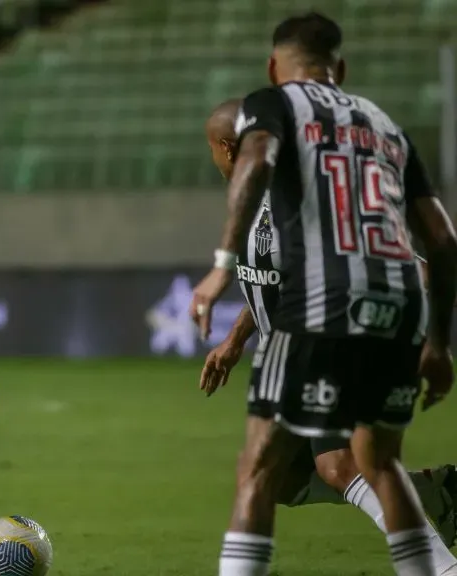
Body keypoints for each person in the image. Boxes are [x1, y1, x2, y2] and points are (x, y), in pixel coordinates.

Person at [188, 12, 457, 576]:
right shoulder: (381, 128)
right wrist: (434, 339)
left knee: (275, 468)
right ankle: (437, 522)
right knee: (327, 471)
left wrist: (218, 267)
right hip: (395, 313)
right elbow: (440, 240)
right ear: (342, 66)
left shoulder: (275, 124)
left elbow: (271, 176)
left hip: (323, 313)